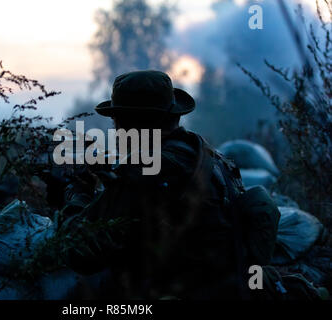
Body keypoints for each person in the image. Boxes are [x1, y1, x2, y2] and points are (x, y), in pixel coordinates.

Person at [56, 70, 278, 299]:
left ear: (130, 123)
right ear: (174, 114)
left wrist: (77, 192)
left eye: (116, 119)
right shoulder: (209, 157)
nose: (115, 129)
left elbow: (78, 251)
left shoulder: (146, 170)